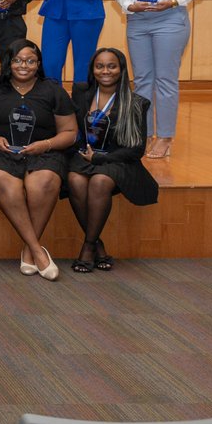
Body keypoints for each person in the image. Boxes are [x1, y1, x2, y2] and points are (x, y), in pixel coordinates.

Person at [0, 39, 77, 281]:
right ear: (8, 62)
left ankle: (30, 250)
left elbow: (70, 133)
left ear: (38, 64)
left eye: (30, 61)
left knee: (44, 182)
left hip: (43, 150)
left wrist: (46, 144)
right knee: (1, 179)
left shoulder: (53, 90)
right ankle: (37, 251)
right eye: (17, 60)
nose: (24, 66)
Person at [113, 0, 207, 159]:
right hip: (138, 20)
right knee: (142, 80)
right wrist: (129, 5)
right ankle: (142, 134)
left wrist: (175, 0)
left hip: (169, 18)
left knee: (165, 80)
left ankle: (164, 136)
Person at [67, 48, 158, 273]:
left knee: (99, 181)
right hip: (85, 156)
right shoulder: (80, 92)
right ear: (92, 69)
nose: (105, 71)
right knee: (74, 180)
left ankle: (88, 246)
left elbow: (137, 150)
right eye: (100, 66)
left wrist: (99, 158)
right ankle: (97, 244)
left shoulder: (137, 102)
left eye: (111, 66)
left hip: (119, 160)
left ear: (121, 69)